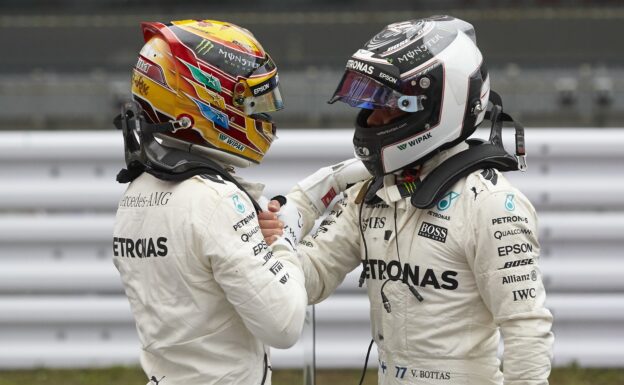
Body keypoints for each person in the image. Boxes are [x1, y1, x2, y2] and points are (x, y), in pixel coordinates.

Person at [264, 15, 554, 385]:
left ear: (437, 105)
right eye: (371, 103)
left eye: (390, 104)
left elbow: (526, 327)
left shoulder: (491, 203)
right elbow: (311, 279)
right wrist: (279, 238)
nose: (372, 119)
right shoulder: (371, 193)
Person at [112, 19, 316, 385]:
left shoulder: (136, 191)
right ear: (203, 102)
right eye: (251, 101)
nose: (262, 113)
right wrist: (283, 243)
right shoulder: (215, 199)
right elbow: (284, 325)